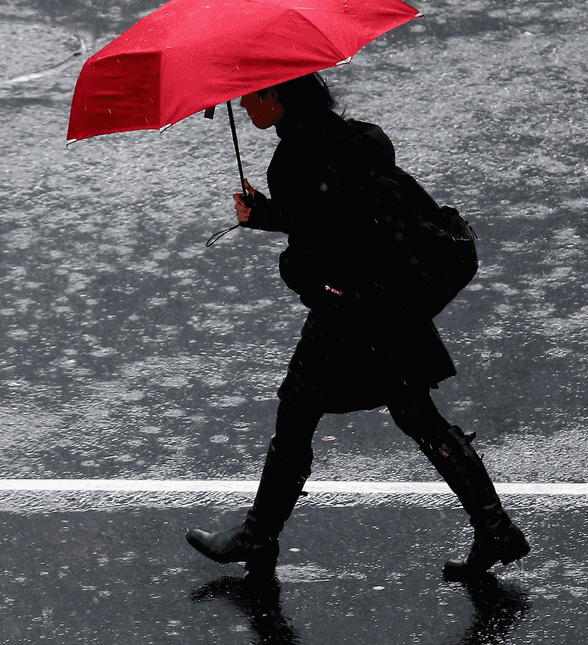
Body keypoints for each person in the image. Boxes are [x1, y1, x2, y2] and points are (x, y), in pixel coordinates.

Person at [185, 73, 530, 581]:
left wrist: (289, 260)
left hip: (352, 313)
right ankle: (495, 527)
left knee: (299, 411)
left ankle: (259, 533)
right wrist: (274, 216)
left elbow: (316, 249)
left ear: (275, 96)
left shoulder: (294, 160)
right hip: (395, 298)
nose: (243, 101)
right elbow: (343, 214)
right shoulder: (357, 140)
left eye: (252, 92)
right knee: (417, 415)